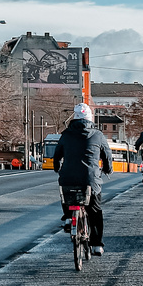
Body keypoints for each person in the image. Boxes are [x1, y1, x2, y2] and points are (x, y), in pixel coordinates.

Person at [52, 103, 114, 255]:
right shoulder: (98, 135)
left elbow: (57, 154)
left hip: (68, 177)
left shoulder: (66, 134)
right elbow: (107, 155)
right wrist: (108, 169)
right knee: (95, 211)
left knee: (66, 194)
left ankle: (68, 217)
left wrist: (57, 167)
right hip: (90, 179)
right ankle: (97, 245)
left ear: (75, 117)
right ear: (90, 118)